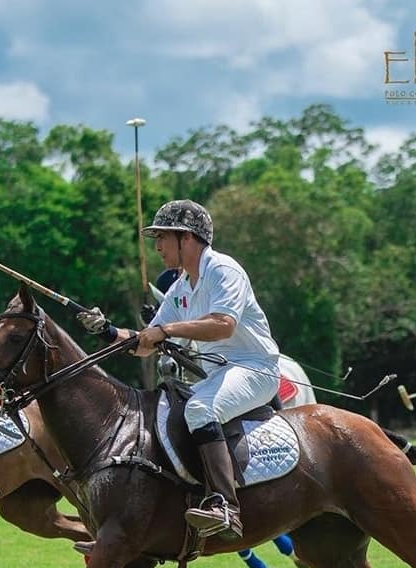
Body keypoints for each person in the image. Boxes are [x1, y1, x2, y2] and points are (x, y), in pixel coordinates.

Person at [79, 200, 280, 539]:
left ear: (187, 238)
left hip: (255, 368)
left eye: (162, 237)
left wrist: (168, 331)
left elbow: (223, 325)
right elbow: (146, 344)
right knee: (169, 413)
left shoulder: (222, 269)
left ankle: (226, 506)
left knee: (200, 409)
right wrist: (108, 331)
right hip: (218, 375)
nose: (157, 246)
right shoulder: (181, 288)